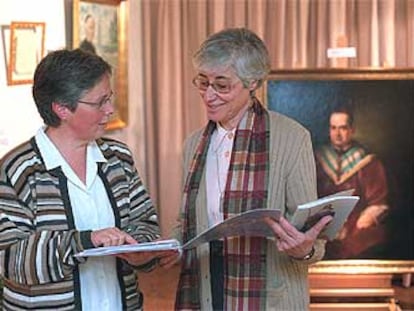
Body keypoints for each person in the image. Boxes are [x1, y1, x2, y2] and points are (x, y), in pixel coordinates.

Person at [0, 49, 178, 310]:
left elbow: (145, 222)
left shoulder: (118, 158)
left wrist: (140, 250)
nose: (110, 110)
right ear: (62, 109)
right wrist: (86, 240)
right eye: (100, 102)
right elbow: (9, 259)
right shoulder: (16, 170)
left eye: (110, 98)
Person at [172, 28, 332, 310]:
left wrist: (306, 250)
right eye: (203, 82)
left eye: (222, 85)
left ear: (252, 82)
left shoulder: (292, 138)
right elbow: (186, 224)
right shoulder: (193, 144)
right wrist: (162, 249)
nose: (209, 95)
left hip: (269, 297)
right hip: (206, 288)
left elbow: (311, 232)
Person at [315, 106, 390, 259]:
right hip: (322, 221)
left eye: (343, 128)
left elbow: (378, 202)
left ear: (352, 130)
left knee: (371, 238)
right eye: (333, 128)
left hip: (354, 224)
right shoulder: (317, 158)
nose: (337, 134)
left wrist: (365, 219)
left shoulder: (367, 161)